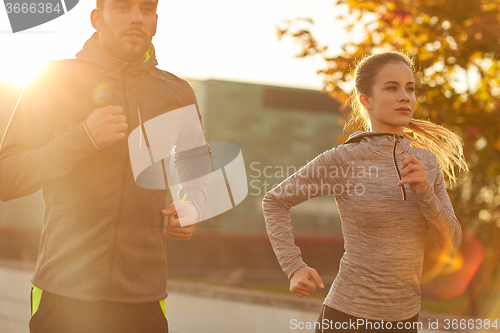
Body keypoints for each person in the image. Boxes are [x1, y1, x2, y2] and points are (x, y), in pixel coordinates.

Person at [0, 0, 210, 332]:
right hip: (63, 293)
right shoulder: (53, 80)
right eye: (123, 7)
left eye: (147, 9)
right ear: (97, 18)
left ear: (156, 20)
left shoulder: (176, 93)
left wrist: (193, 202)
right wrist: (81, 138)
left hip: (144, 298)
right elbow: (6, 178)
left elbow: (195, 160)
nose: (137, 18)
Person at [262, 50, 468, 332]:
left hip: (405, 321)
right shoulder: (344, 159)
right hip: (347, 317)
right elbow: (274, 201)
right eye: (392, 88)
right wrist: (294, 266)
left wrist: (426, 195)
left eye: (410, 88)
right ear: (365, 100)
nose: (405, 96)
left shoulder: (427, 162)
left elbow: (450, 243)